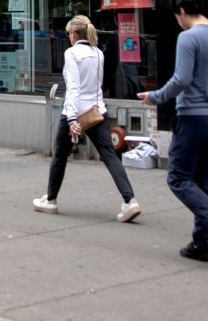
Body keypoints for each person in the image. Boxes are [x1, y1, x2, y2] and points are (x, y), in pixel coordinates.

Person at [138, 0, 208, 264]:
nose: (177, 21)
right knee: (202, 182)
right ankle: (199, 242)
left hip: (194, 117)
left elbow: (182, 79)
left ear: (181, 11)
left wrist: (155, 97)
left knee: (178, 178)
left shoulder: (188, 38)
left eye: (176, 16)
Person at [33, 15, 141, 223]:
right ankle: (130, 200)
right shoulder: (98, 53)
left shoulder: (72, 53)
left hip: (75, 110)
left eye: (68, 33)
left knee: (60, 156)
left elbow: (74, 87)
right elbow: (97, 86)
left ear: (73, 34)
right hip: (96, 110)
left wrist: (72, 119)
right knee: (109, 155)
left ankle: (51, 199)